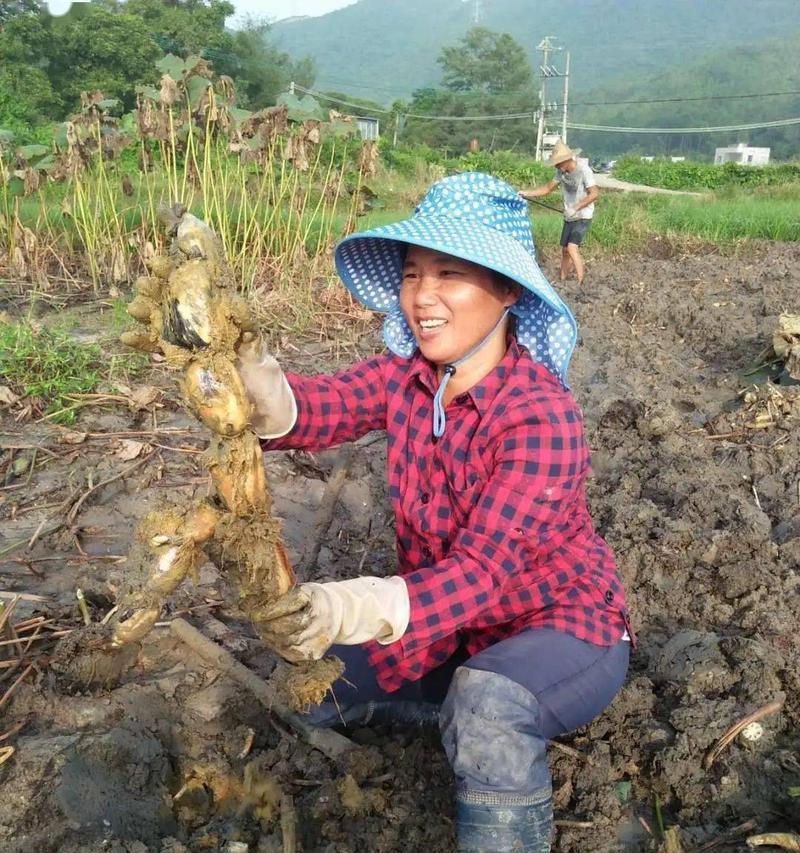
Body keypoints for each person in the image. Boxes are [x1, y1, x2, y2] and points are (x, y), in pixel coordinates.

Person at [235, 172, 632, 853]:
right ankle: (449, 709)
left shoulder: (541, 417)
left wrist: (351, 602)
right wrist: (257, 388)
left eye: (450, 274)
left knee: (487, 702)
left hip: (564, 628)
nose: (423, 297)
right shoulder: (407, 378)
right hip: (454, 629)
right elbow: (317, 407)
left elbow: (482, 575)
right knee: (317, 685)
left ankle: (488, 747)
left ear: (507, 291)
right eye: (414, 274)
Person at [520, 140, 598, 286]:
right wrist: (527, 193)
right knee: (564, 251)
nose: (557, 166)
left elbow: (594, 194)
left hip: (583, 215)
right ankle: (563, 279)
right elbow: (547, 189)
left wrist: (576, 207)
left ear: (567, 160)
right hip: (569, 216)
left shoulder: (583, 170)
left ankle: (581, 283)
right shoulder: (560, 172)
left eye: (558, 163)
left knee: (572, 247)